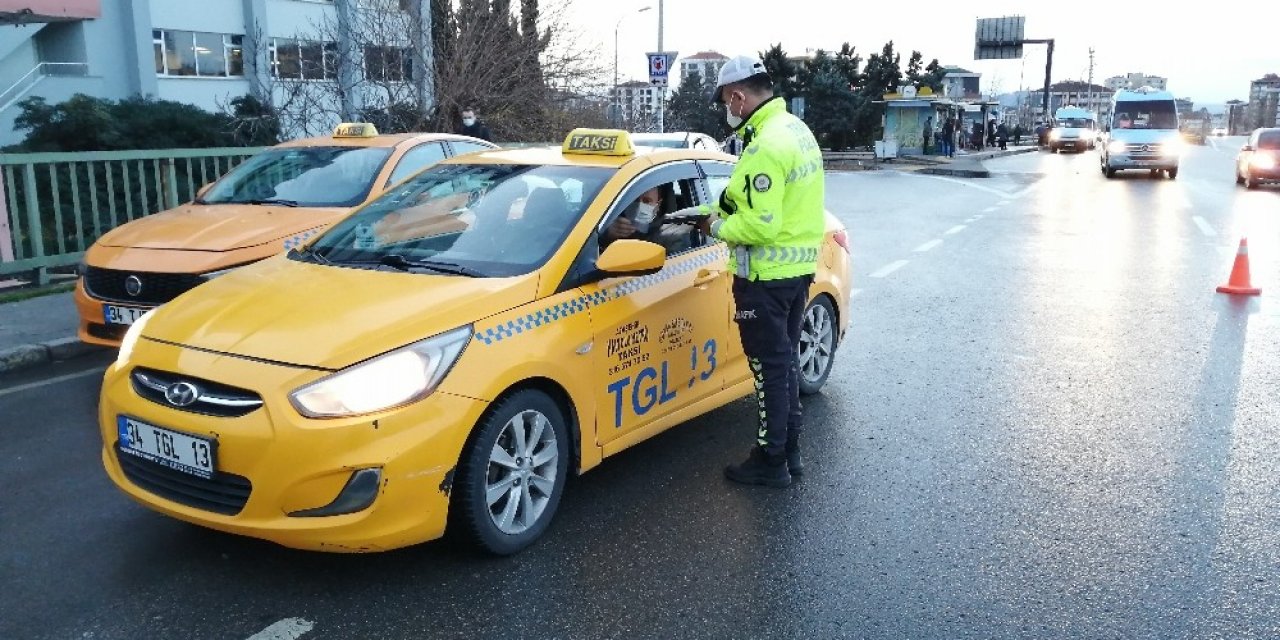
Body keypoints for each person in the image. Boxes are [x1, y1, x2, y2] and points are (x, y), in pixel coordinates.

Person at [688, 55, 826, 488]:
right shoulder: (795, 131)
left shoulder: (765, 145)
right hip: (797, 271)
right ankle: (790, 453)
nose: (727, 111)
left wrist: (714, 227)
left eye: (726, 103)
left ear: (738, 96)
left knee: (769, 371)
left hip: (764, 278)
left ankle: (770, 461)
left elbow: (758, 224)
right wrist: (711, 208)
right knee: (782, 364)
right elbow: (747, 199)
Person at [602, 186, 690, 254]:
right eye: (635, 199)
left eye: (647, 201)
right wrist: (607, 233)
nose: (639, 205)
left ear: (658, 205)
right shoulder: (612, 221)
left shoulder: (673, 234)